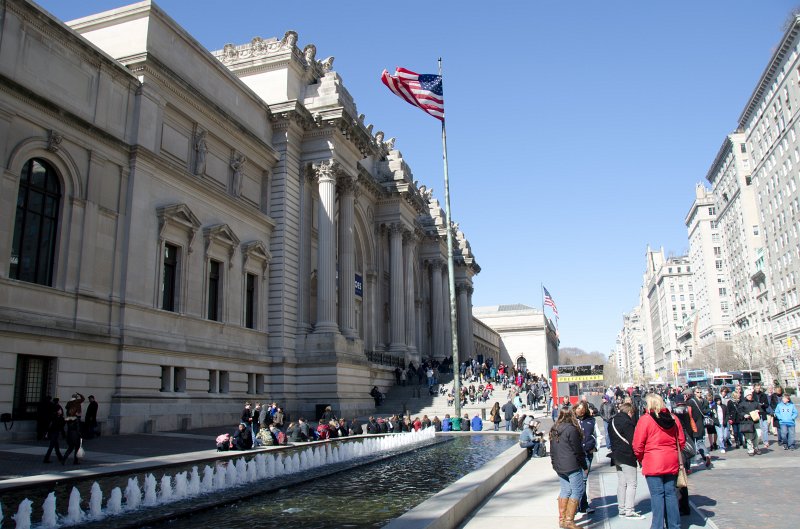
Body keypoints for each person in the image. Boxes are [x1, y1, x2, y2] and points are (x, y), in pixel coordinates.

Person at [632, 393, 685, 529]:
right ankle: (674, 525)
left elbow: (637, 444)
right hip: (671, 460)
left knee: (657, 495)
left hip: (653, 461)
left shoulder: (646, 420)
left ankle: (657, 526)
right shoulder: (673, 419)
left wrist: (641, 458)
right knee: (670, 494)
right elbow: (682, 441)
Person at [549, 407, 587, 529]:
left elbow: (552, 449)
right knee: (577, 490)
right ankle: (569, 520)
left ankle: (562, 519)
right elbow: (578, 450)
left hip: (559, 465)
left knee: (565, 490)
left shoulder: (554, 429)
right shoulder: (572, 429)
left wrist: (554, 463)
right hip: (571, 465)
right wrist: (584, 465)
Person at [609, 402, 643, 519]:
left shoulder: (612, 421)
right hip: (627, 455)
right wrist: (639, 457)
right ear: (629, 412)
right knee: (632, 483)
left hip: (616, 455)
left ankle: (622, 509)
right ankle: (629, 510)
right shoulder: (627, 422)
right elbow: (634, 440)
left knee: (622, 483)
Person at [574, 402, 597, 514]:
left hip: (587, 453)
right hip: (574, 455)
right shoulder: (572, 421)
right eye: (578, 408)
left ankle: (582, 505)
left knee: (583, 480)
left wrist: (595, 446)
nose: (580, 410)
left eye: (582, 408)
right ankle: (575, 504)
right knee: (575, 480)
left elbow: (596, 434)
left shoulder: (591, 420)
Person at [686, 388, 711, 468]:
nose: (699, 393)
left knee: (693, 443)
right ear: (695, 393)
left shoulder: (691, 402)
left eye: (700, 392)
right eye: (698, 392)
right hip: (700, 424)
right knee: (700, 441)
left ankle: (694, 460)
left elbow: (689, 414)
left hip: (693, 424)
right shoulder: (702, 401)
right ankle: (706, 454)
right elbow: (705, 411)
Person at [738, 389, 761, 455]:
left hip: (755, 421)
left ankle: (756, 447)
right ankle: (750, 449)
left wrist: (758, 411)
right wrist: (744, 415)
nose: (750, 396)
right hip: (747, 422)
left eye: (750, 395)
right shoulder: (742, 403)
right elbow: (739, 412)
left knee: (758, 435)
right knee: (749, 437)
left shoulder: (755, 403)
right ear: (745, 396)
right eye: (748, 395)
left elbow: (761, 409)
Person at [752, 382, 770, 448]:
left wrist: (763, 405)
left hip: (763, 412)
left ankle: (765, 441)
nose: (758, 389)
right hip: (755, 413)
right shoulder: (752, 394)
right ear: (754, 388)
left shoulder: (763, 395)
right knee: (756, 428)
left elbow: (767, 404)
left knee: (765, 428)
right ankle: (756, 440)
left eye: (759, 388)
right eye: (756, 388)